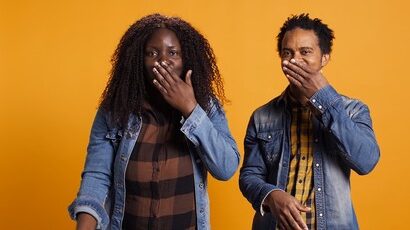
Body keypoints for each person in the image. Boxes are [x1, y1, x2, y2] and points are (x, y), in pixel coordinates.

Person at [68, 13, 240, 230]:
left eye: (173, 53)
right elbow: (97, 175)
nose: (163, 60)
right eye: (152, 53)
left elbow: (226, 169)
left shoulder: (206, 105)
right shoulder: (115, 110)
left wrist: (191, 109)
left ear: (186, 59)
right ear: (138, 60)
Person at [239, 13, 380, 230]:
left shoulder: (353, 110)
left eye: (305, 52)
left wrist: (324, 100)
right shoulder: (263, 116)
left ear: (324, 57)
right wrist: (271, 195)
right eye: (288, 53)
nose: (295, 60)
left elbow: (366, 161)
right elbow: (250, 175)